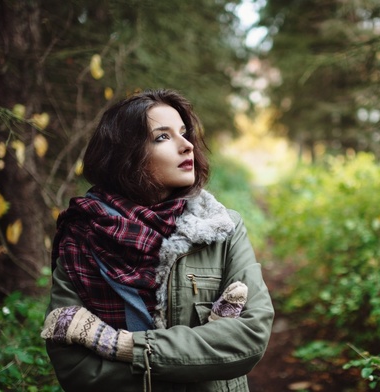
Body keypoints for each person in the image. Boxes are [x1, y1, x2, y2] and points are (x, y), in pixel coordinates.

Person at [41, 89, 274, 391]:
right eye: (163, 137)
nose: (187, 145)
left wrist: (124, 346)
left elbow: (249, 338)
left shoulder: (221, 228)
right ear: (125, 155)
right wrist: (195, 362)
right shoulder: (81, 235)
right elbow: (75, 369)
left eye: (184, 133)